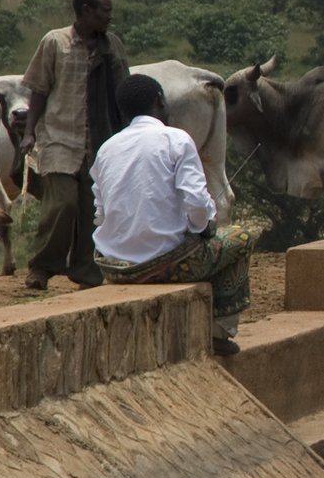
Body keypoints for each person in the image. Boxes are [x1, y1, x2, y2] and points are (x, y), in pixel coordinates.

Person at [91, 75, 253, 356]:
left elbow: (100, 214)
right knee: (240, 238)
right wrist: (204, 227)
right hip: (166, 265)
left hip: (114, 268)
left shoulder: (106, 149)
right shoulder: (176, 140)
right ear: (159, 101)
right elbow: (198, 206)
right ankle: (219, 332)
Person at [17, 0, 131, 290]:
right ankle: (42, 267)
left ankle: (86, 272)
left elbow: (122, 90)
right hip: (59, 137)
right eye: (104, 10)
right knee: (62, 205)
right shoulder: (55, 42)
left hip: (98, 140)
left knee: (91, 210)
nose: (110, 16)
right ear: (86, 11)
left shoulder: (111, 47)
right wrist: (30, 132)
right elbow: (39, 89)